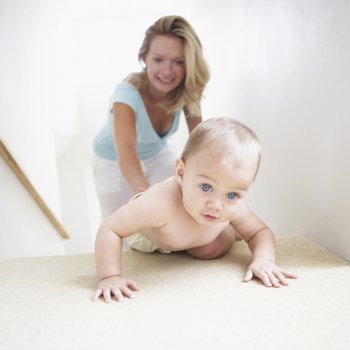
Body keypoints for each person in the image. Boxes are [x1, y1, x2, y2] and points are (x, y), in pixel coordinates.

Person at [92, 117, 297, 303]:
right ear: (181, 172)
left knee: (208, 250)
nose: (216, 205)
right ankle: (231, 230)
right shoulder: (157, 204)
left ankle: (231, 231)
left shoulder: (231, 207)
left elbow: (260, 232)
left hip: (192, 237)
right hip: (153, 236)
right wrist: (110, 277)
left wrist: (264, 260)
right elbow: (111, 229)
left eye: (232, 195)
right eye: (206, 187)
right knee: (138, 238)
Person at [92, 15, 210, 220]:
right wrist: (144, 193)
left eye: (178, 62)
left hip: (157, 153)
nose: (167, 71)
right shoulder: (126, 96)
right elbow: (126, 150)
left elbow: (199, 142)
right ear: (143, 58)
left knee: (177, 209)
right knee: (123, 224)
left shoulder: (188, 90)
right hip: (112, 161)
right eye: (158, 60)